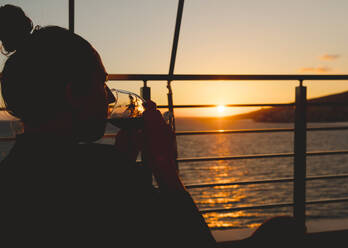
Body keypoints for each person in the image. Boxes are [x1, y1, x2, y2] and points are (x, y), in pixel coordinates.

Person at [0, 4, 216, 247]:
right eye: (102, 83)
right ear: (73, 94)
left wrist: (124, 159)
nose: (111, 98)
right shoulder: (105, 173)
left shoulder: (10, 177)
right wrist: (163, 163)